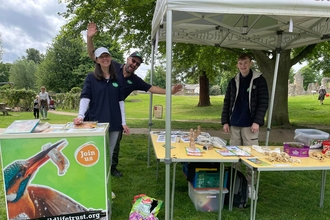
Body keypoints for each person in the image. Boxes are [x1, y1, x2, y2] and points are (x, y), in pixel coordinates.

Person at [87, 22, 182, 177]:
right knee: (94, 140)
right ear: (128, 59)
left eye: (137, 64)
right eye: (133, 61)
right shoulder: (112, 66)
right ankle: (92, 167)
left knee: (115, 142)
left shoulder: (135, 80)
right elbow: (93, 55)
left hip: (116, 114)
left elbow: (152, 88)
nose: (134, 64)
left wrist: (170, 91)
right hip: (97, 110)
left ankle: (112, 168)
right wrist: (89, 38)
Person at [221, 53, 269, 200]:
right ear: (237, 65)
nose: (243, 66)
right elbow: (227, 102)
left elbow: (263, 102)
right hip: (234, 124)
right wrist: (225, 121)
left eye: (246, 63)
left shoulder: (259, 80)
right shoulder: (233, 81)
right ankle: (236, 183)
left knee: (251, 156)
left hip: (250, 125)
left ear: (251, 63)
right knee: (234, 156)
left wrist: (257, 121)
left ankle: (249, 185)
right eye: (240, 63)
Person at [74, 46, 130, 168]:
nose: (105, 59)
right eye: (101, 57)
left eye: (107, 56)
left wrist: (123, 122)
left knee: (109, 154)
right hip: (96, 123)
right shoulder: (91, 78)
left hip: (115, 123)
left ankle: (105, 184)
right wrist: (80, 115)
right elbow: (85, 97)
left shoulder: (118, 79)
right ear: (97, 60)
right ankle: (94, 181)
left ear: (110, 58)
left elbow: (121, 102)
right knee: (95, 153)